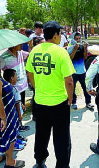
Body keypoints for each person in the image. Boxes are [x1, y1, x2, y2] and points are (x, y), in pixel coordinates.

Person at [25, 20, 75, 168]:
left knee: (41, 133)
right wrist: (70, 98)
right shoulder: (61, 52)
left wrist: (37, 88)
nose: (61, 36)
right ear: (55, 35)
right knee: (61, 137)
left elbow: (30, 73)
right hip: (59, 102)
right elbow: (69, 81)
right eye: (60, 33)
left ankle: (40, 160)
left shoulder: (35, 50)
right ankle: (62, 165)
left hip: (40, 101)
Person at [3, 69, 27, 150]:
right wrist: (20, 114)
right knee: (14, 128)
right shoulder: (13, 89)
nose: (17, 78)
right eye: (16, 76)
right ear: (12, 78)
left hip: (12, 113)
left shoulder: (10, 88)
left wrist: (22, 105)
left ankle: (16, 139)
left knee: (15, 128)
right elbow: (17, 103)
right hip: (15, 113)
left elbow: (18, 101)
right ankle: (14, 143)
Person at [67, 32, 93, 110]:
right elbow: (70, 58)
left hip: (82, 71)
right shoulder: (70, 47)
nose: (78, 40)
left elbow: (85, 57)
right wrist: (74, 49)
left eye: (79, 39)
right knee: (73, 88)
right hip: (73, 72)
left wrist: (85, 48)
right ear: (73, 39)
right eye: (76, 39)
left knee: (85, 87)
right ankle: (74, 102)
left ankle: (88, 102)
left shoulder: (81, 47)